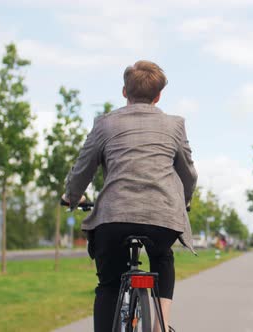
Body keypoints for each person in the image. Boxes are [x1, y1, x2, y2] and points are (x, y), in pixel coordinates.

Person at [62, 60, 198, 332]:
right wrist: (185, 200)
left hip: (114, 218)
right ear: (159, 96)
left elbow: (82, 170)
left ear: (124, 92)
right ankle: (161, 325)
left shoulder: (104, 124)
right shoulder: (175, 126)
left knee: (109, 284)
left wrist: (71, 196)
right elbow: (188, 174)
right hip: (162, 217)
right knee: (162, 259)